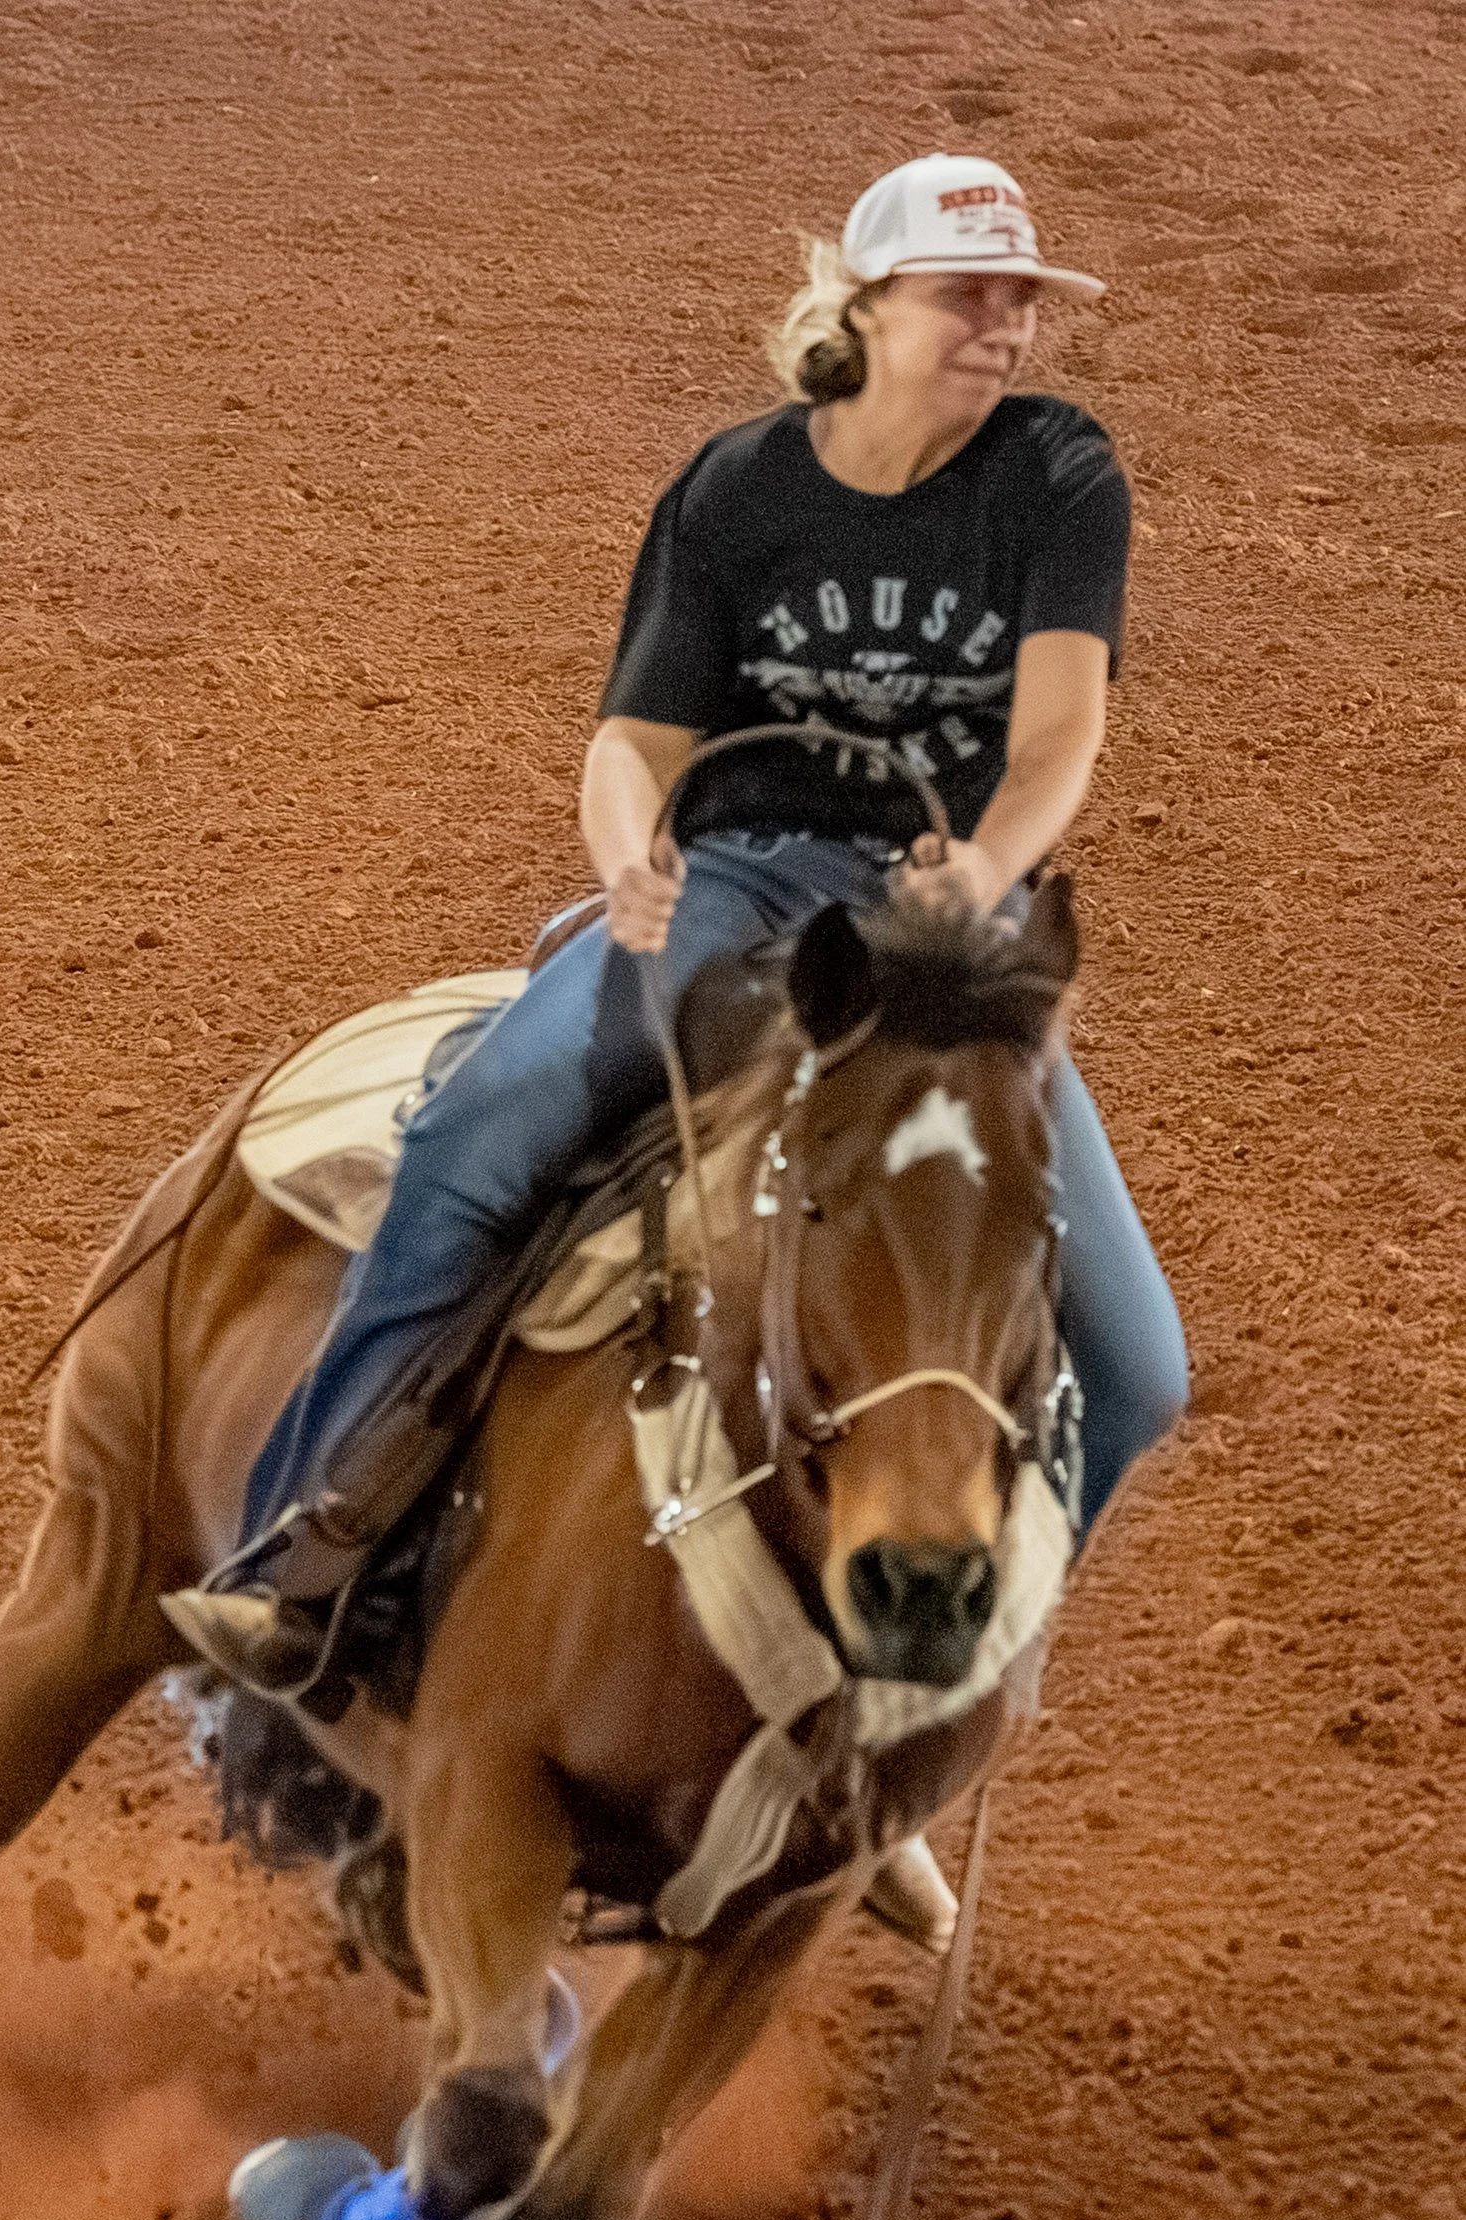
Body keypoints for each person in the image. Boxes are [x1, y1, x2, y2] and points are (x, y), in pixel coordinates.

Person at [168, 152, 1189, 1699]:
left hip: (939, 925)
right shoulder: (742, 489)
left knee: (1137, 1366)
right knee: (484, 1133)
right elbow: (634, 741)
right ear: (869, 303)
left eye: (1022, 302)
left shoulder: (1057, 475)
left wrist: (981, 875)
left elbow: (1059, 735)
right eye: (967, 295)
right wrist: (628, 853)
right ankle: (305, 1555)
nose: (1006, 327)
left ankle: (951, 1666)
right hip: (743, 876)